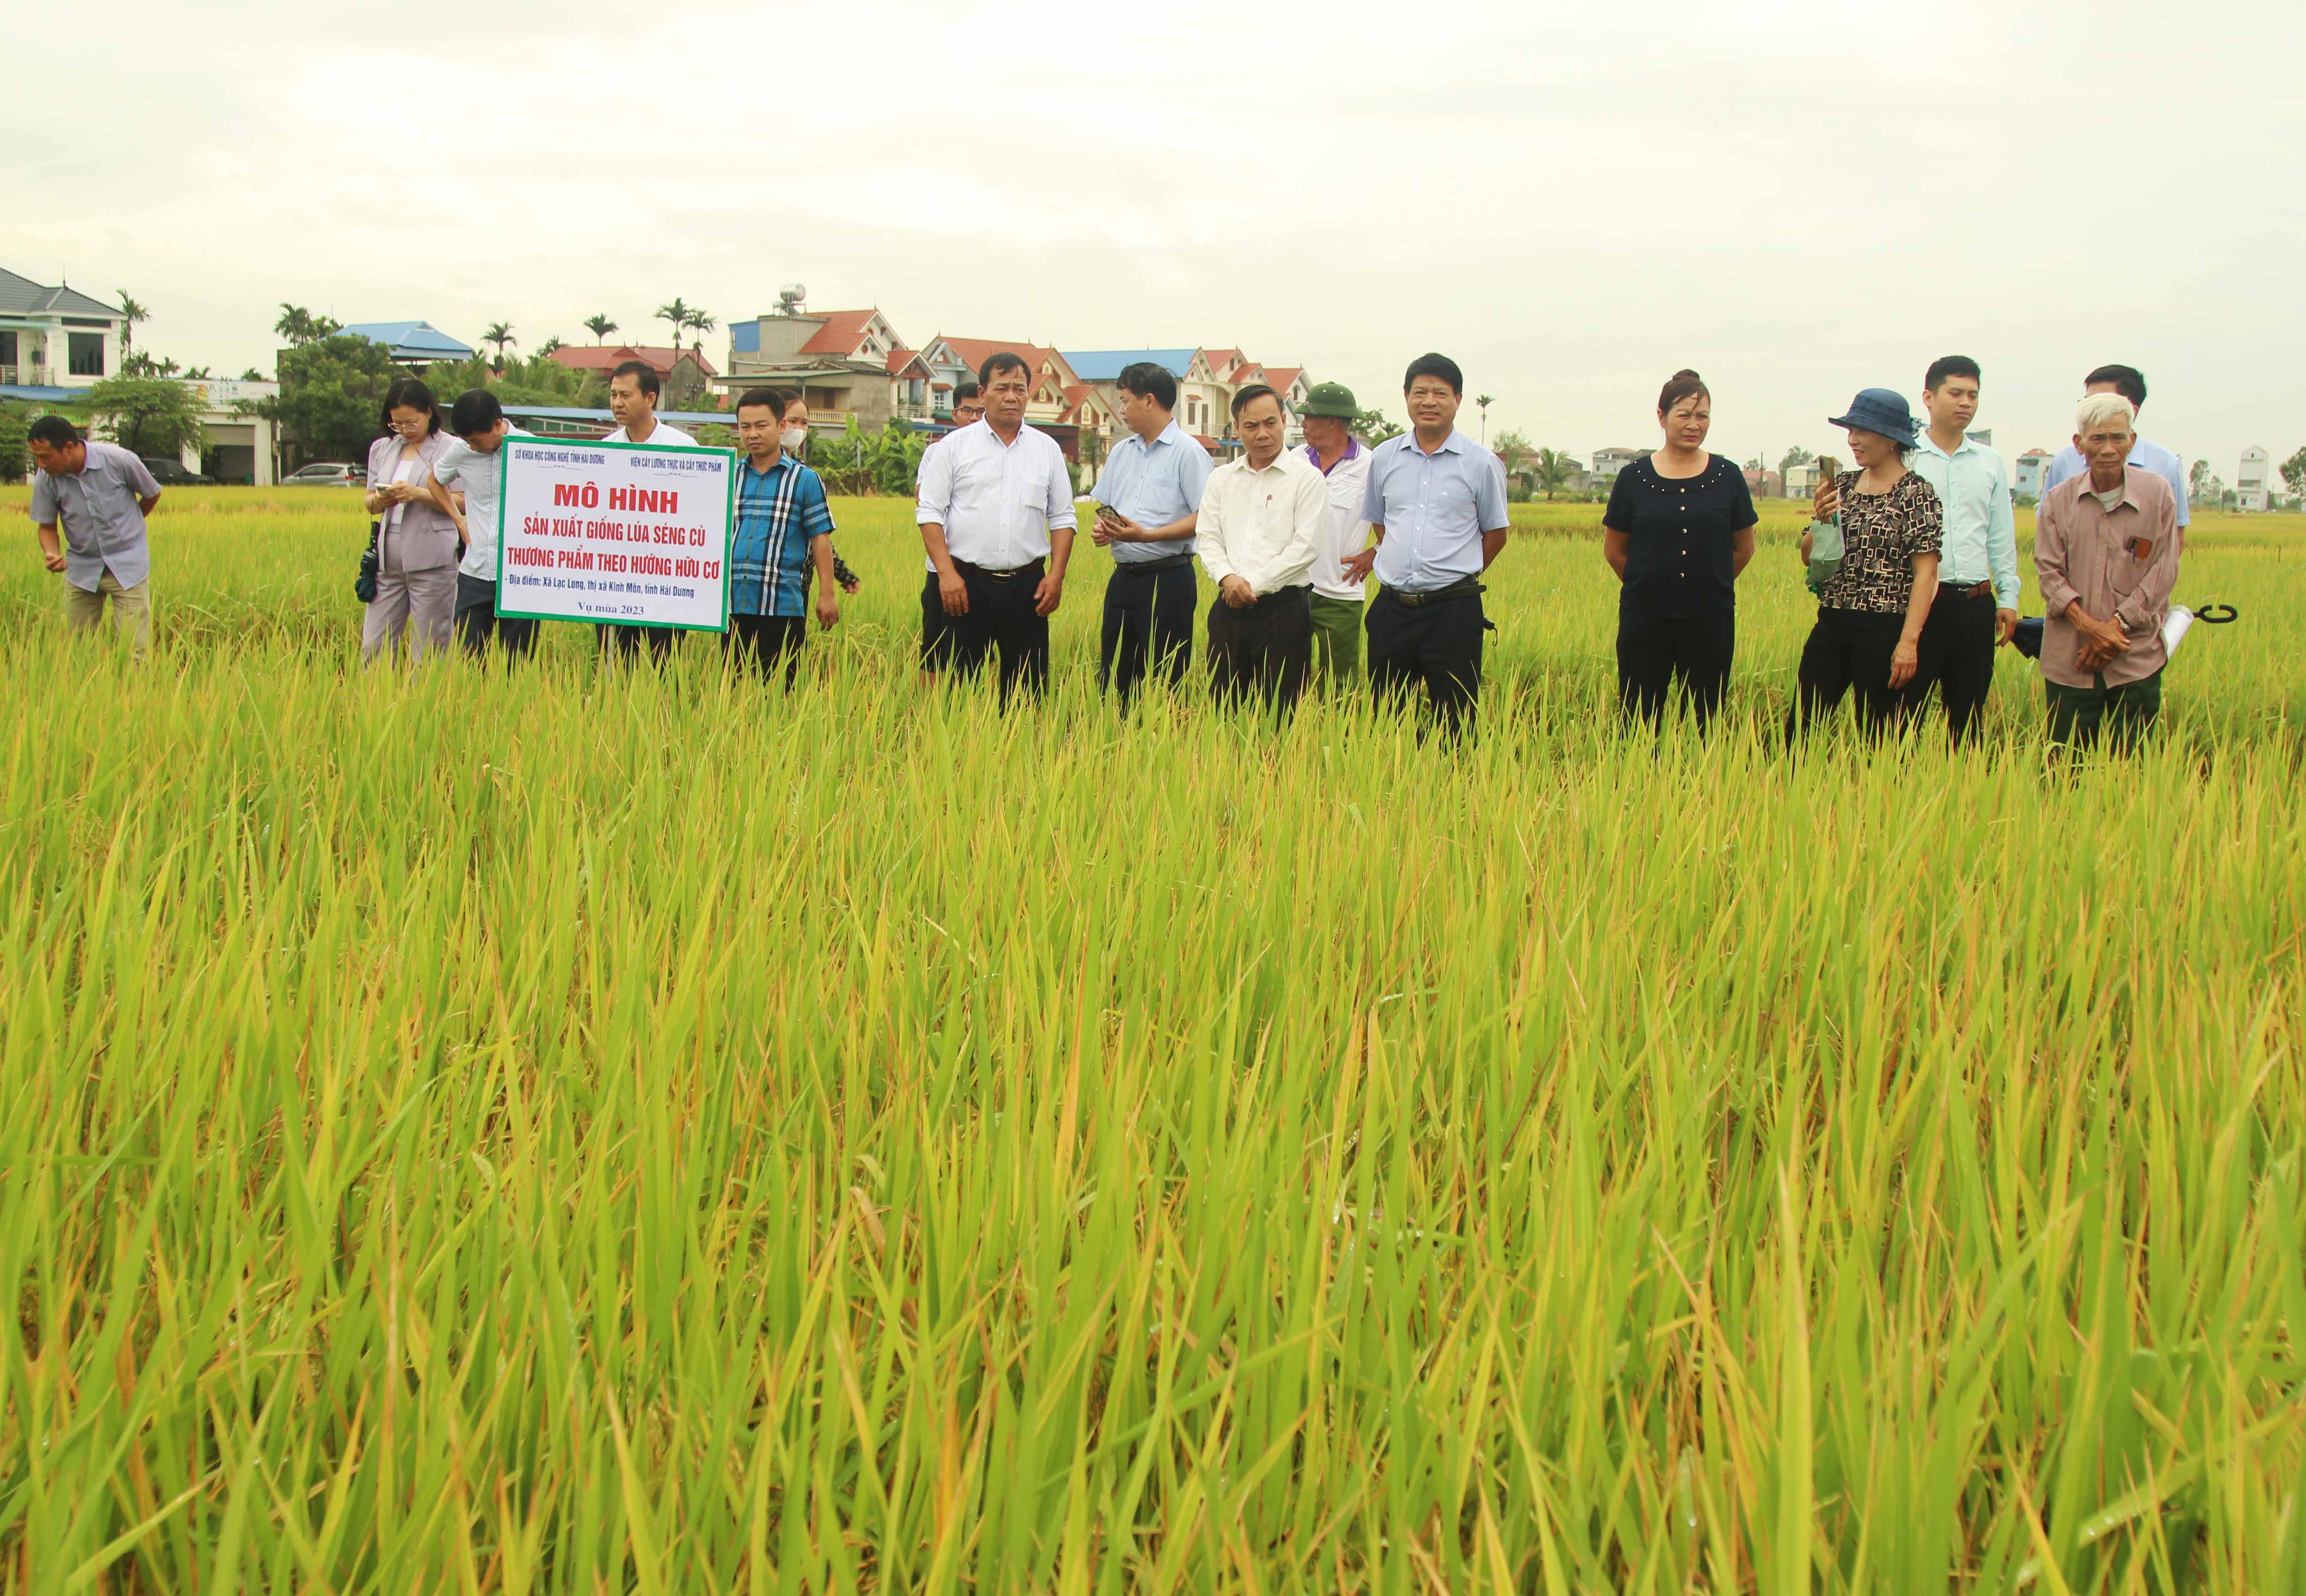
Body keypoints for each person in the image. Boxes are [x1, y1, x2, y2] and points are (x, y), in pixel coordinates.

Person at [1342, 353, 1510, 737]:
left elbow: (1496, 536)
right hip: (1392, 610)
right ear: (1406, 396)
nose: (1429, 402)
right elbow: (1381, 523)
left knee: (1456, 720)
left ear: (1458, 399)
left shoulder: (1481, 463)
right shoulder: (1385, 457)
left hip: (1453, 612)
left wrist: (1451, 575)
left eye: (1440, 393)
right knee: (1386, 718)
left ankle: (1453, 776)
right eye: (1420, 392)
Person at [916, 351, 1077, 705]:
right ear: (983, 392)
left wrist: (1057, 576)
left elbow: (1063, 517)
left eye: (1019, 389)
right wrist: (947, 575)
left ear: (1028, 394)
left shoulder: (1047, 450)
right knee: (960, 692)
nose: (1011, 397)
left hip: (1028, 587)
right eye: (1001, 388)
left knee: (1027, 692)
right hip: (966, 585)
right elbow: (929, 513)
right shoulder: (954, 448)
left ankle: (1022, 741)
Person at [1601, 369, 1756, 733]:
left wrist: (1708, 583)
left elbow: (1744, 548)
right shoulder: (1634, 478)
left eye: (1702, 416)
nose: (1694, 425)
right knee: (1639, 719)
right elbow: (1615, 551)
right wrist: (1650, 585)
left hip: (1710, 618)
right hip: (1645, 618)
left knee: (1706, 719)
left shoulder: (1728, 476)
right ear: (1662, 416)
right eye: (1684, 415)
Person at [1792, 389, 1943, 739]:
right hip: (1832, 621)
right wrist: (1821, 518)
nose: (1853, 440)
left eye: (1863, 431)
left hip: (1886, 628)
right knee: (1802, 728)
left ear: (1892, 439)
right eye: (1851, 430)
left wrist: (1909, 643)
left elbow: (1927, 573)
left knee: (1880, 738)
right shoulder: (1843, 485)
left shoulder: (1916, 493)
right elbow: (1808, 556)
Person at [2034, 393, 2181, 750]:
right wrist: (2091, 628)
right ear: (2079, 444)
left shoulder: (2158, 494)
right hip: (2072, 659)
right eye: (2097, 438)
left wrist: (2114, 629)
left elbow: (2164, 569)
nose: (2108, 448)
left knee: (2132, 765)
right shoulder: (2058, 500)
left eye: (2118, 437)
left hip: (2135, 657)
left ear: (2132, 440)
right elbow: (2049, 573)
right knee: (2064, 765)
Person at [1899, 357, 2019, 745]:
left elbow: (2000, 536)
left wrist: (2009, 596)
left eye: (1973, 395)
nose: (1966, 403)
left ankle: (1965, 782)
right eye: (1956, 393)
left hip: (1974, 605)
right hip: (1917, 605)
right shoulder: (1906, 458)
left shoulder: (1990, 462)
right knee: (1903, 715)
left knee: (1968, 719)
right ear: (1929, 398)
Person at [1088, 361, 1212, 707]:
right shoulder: (1121, 452)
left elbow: (1207, 516)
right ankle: (1116, 732)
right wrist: (1106, 531)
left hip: (1168, 579)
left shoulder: (1189, 453)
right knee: (1115, 671)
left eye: (1125, 401)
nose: (1121, 409)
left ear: (1149, 400)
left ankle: (1165, 735)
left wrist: (1148, 536)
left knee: (1165, 675)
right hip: (1124, 580)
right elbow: (1109, 506)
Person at [1195, 384, 1323, 718]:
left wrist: (1251, 586)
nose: (1262, 434)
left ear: (1284, 421)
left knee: (1281, 714)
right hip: (1228, 609)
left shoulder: (1307, 479)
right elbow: (1207, 537)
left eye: (1270, 423)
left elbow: (1306, 547)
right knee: (1223, 711)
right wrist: (1228, 579)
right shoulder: (1221, 479)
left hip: (1283, 612)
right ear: (1237, 428)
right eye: (1251, 426)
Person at [724, 388, 840, 686]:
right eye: (745, 426)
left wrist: (827, 594)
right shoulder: (729, 476)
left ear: (781, 426)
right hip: (734, 603)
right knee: (733, 690)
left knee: (780, 692)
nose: (752, 434)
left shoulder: (805, 480)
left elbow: (820, 539)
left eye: (761, 425)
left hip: (781, 604)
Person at [27, 415, 161, 660]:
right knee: (77, 651)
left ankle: (136, 685)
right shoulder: (46, 478)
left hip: (128, 564)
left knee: (135, 653)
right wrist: (52, 553)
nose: (41, 464)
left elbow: (152, 493)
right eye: (36, 457)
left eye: (45, 456)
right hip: (82, 567)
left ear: (68, 447)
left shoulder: (119, 460)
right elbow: (46, 526)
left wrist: (133, 522)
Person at [418, 389, 537, 661]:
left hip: (520, 575)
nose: (472, 447)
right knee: (469, 660)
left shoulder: (532, 449)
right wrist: (458, 520)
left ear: (497, 425)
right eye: (467, 441)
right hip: (475, 572)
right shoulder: (461, 451)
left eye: (476, 441)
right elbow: (435, 480)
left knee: (518, 663)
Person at [597, 360, 696, 664]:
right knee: (616, 665)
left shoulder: (684, 448)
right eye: (613, 395)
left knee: (663, 668)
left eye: (625, 395)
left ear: (650, 398)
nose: (617, 403)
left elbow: (697, 516)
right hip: (615, 582)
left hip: (666, 584)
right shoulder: (605, 450)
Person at [361, 378, 461, 665]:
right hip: (387, 563)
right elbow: (368, 501)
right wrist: (380, 501)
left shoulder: (451, 448)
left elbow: (463, 502)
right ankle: (378, 694)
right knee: (374, 646)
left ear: (428, 412)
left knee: (430, 650)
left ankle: (426, 694)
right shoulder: (383, 448)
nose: (405, 430)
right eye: (397, 424)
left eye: (411, 422)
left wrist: (417, 494)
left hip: (432, 562)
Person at [2041, 364, 2190, 545]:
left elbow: (2174, 541)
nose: (2090, 410)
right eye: (2086, 403)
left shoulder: (2166, 466)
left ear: (2132, 411)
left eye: (2101, 403)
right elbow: (2048, 535)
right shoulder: (2064, 462)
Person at [1296, 381, 1373, 684]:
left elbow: (1400, 518)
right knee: (1287, 678)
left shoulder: (1371, 465)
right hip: (1292, 587)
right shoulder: (1294, 460)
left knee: (1340, 684)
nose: (1303, 424)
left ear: (1332, 421)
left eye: (1309, 417)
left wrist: (1375, 553)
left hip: (1341, 592)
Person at [917, 382, 986, 683]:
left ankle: (979, 705)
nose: (974, 418)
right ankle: (927, 707)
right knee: (934, 645)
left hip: (983, 568)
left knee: (982, 647)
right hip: (943, 567)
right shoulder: (938, 451)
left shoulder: (996, 452)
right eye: (967, 410)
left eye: (980, 411)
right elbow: (924, 498)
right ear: (955, 413)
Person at [777, 394, 862, 595]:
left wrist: (842, 574)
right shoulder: (747, 473)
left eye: (804, 423)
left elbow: (818, 536)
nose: (798, 429)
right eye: (793, 421)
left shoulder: (806, 477)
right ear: (778, 423)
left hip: (797, 587)